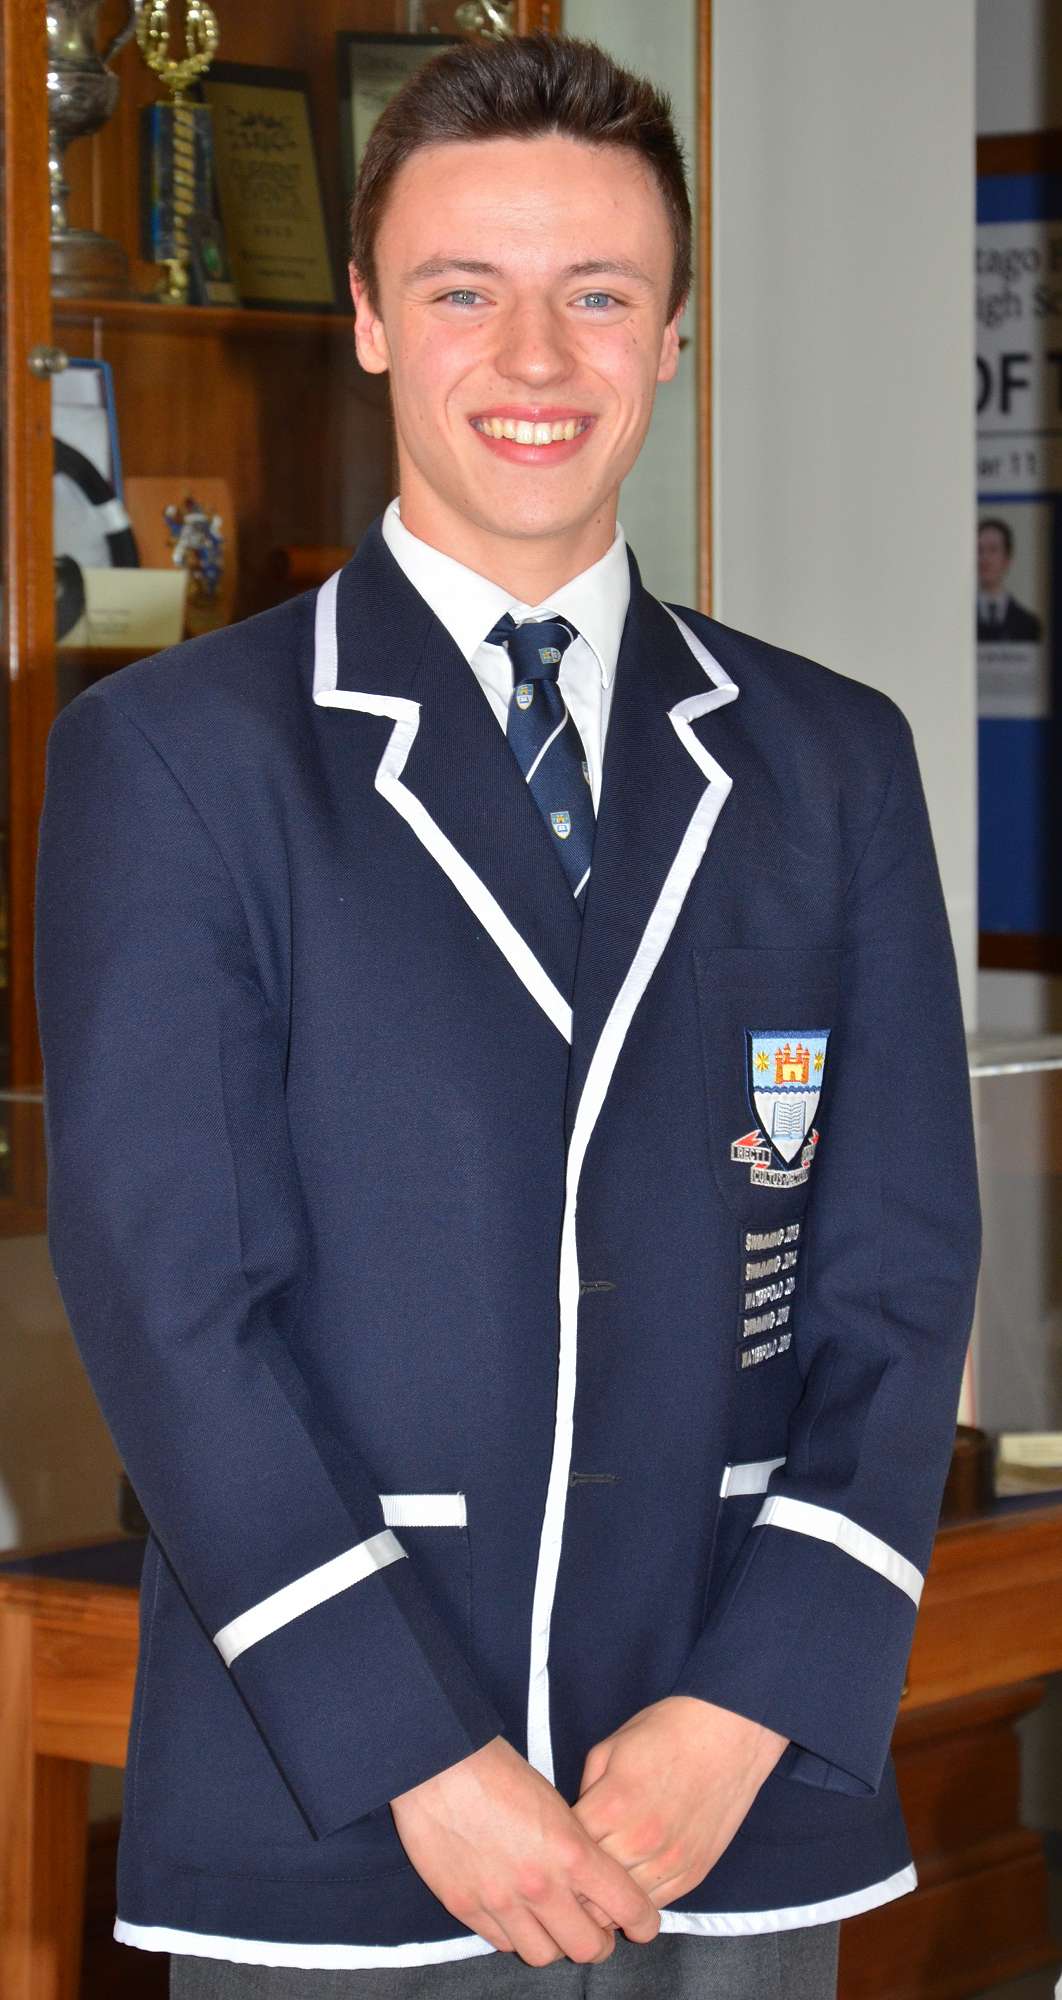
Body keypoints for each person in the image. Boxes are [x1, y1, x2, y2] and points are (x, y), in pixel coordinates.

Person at [33, 31, 981, 2000]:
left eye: (597, 294)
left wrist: (752, 1704)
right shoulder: (182, 759)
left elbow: (896, 1284)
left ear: (675, 330)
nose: (535, 358)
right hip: (346, 1807)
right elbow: (175, 1311)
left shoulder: (831, 762)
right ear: (372, 318)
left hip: (726, 1797)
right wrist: (421, 1754)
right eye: (465, 291)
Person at [977, 516, 1042, 641]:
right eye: (979, 550)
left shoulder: (1028, 624)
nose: (985, 559)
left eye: (993, 550)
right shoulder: (959, 618)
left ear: (1007, 558)